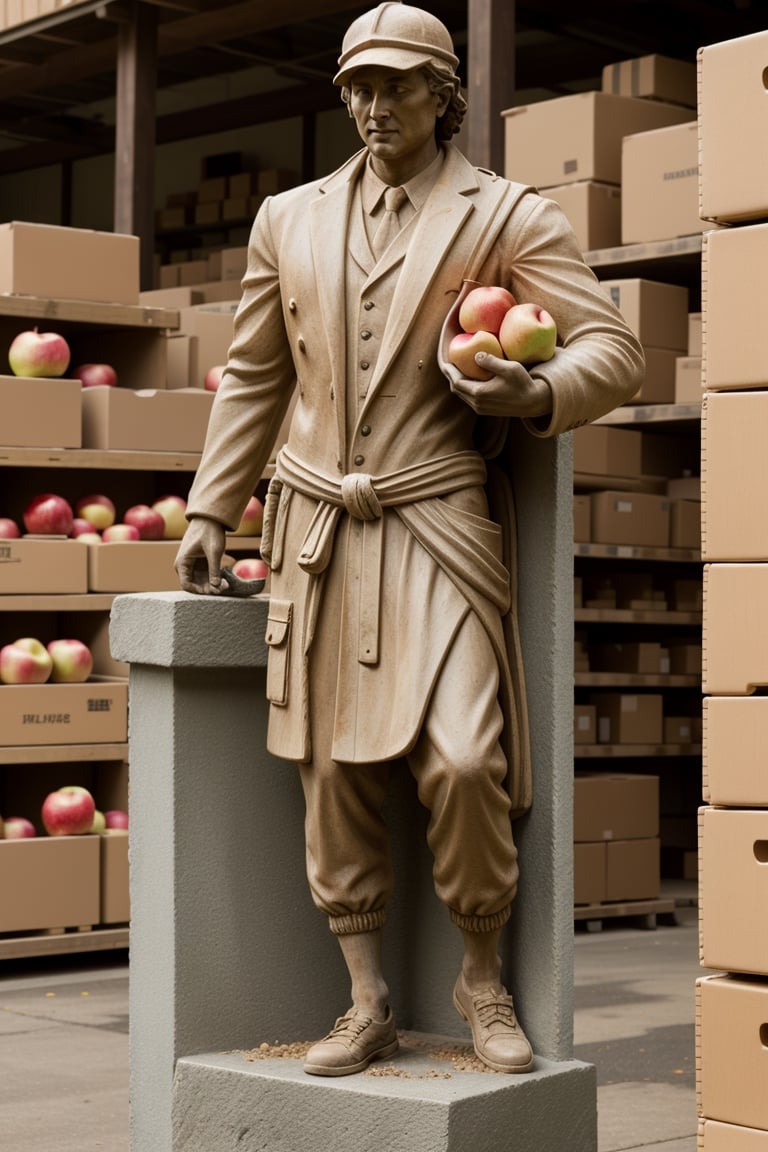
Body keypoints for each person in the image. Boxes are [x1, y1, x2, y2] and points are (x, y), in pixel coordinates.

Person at [175, 1, 644, 1078]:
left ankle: (480, 977)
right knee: (330, 768)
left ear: (446, 94)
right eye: (358, 87)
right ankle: (366, 997)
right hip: (317, 531)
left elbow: (615, 350)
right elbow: (254, 373)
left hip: (439, 522)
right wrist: (212, 506)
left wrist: (536, 387)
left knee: (468, 759)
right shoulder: (286, 219)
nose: (374, 106)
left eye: (395, 85)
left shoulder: (509, 216)